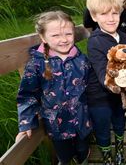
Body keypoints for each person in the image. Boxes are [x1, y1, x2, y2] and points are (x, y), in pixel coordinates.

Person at [16, 10, 91, 165]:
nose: (63, 40)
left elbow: (91, 85)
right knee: (63, 156)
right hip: (57, 125)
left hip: (82, 120)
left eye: (68, 34)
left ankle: (83, 159)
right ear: (43, 37)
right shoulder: (36, 64)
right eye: (55, 35)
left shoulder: (81, 59)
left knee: (83, 150)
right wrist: (26, 123)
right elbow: (27, 95)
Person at [85, 0, 126, 165]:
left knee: (119, 121)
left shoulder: (124, 37)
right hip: (99, 96)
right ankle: (107, 156)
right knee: (102, 129)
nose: (111, 18)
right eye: (104, 14)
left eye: (115, 13)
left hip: (119, 93)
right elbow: (103, 73)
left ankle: (119, 148)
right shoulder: (95, 41)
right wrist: (122, 85)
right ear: (94, 17)